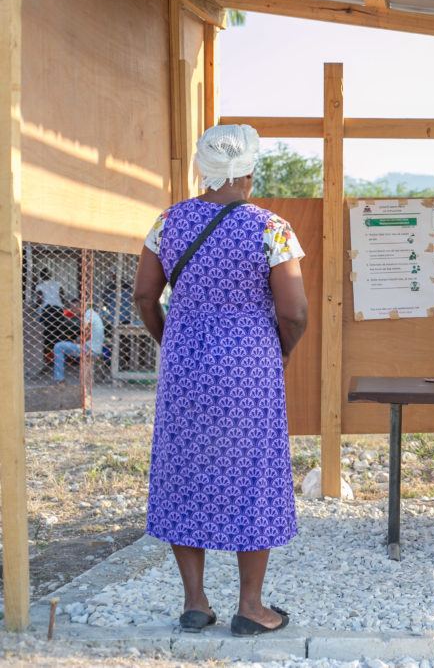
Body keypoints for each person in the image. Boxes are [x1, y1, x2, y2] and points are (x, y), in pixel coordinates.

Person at [133, 124, 308, 637]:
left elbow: (145, 296)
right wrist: (280, 351)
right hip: (249, 367)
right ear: (250, 170)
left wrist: (172, 340)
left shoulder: (168, 222)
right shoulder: (271, 228)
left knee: (184, 470)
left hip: (185, 363)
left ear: (201, 169)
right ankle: (250, 606)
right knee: (252, 472)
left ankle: (195, 603)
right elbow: (294, 311)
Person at [52, 299, 104, 384]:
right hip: (94, 347)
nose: (72, 310)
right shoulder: (91, 314)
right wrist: (77, 340)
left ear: (80, 307)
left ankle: (59, 379)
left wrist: (77, 340)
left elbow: (86, 336)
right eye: (72, 308)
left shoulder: (87, 316)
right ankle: (60, 377)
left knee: (58, 346)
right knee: (66, 344)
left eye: (74, 308)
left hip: (89, 349)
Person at [36, 267, 66, 369]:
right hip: (58, 311)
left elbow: (39, 299)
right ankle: (60, 359)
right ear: (50, 275)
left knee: (47, 335)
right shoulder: (58, 284)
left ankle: (47, 360)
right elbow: (62, 297)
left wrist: (35, 307)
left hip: (47, 311)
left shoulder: (40, 286)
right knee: (59, 335)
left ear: (41, 276)